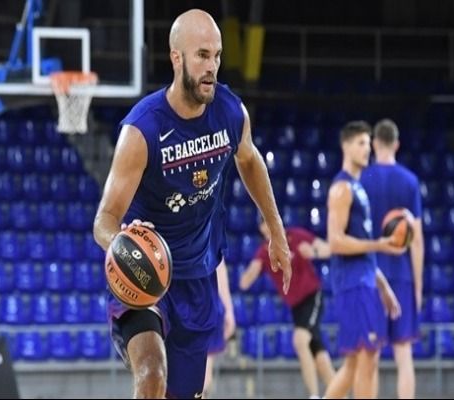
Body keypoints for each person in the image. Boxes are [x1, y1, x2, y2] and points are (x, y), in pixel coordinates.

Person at [92, 9, 292, 399]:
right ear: (176, 57)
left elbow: (250, 159)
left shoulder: (230, 112)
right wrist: (121, 242)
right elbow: (104, 218)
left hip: (197, 277)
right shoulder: (143, 129)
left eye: (217, 56)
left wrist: (277, 231)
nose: (212, 66)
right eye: (202, 55)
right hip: (144, 274)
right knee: (152, 374)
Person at [323, 120, 403, 399]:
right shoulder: (341, 188)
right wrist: (380, 244)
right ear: (345, 146)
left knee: (356, 364)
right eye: (360, 143)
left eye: (368, 144)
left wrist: (383, 286)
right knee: (366, 359)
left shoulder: (358, 188)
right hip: (352, 283)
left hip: (365, 281)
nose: (367, 149)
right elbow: (335, 241)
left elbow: (363, 248)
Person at [360, 119, 424, 399]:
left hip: (371, 273)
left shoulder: (362, 179)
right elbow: (417, 240)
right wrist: (418, 286)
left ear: (374, 143)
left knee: (370, 354)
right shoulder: (410, 181)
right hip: (402, 275)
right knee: (404, 353)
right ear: (396, 144)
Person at [239, 218, 335, 399]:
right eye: (264, 231)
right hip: (296, 306)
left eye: (270, 228)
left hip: (312, 296)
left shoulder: (296, 236)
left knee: (300, 340)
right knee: (318, 353)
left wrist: (313, 252)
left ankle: (314, 395)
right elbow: (245, 281)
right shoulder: (265, 251)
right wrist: (251, 273)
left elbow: (328, 249)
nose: (269, 234)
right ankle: (339, 395)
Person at [203, 259, 236, 398]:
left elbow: (219, 267)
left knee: (203, 375)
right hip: (182, 306)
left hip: (205, 307)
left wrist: (229, 310)